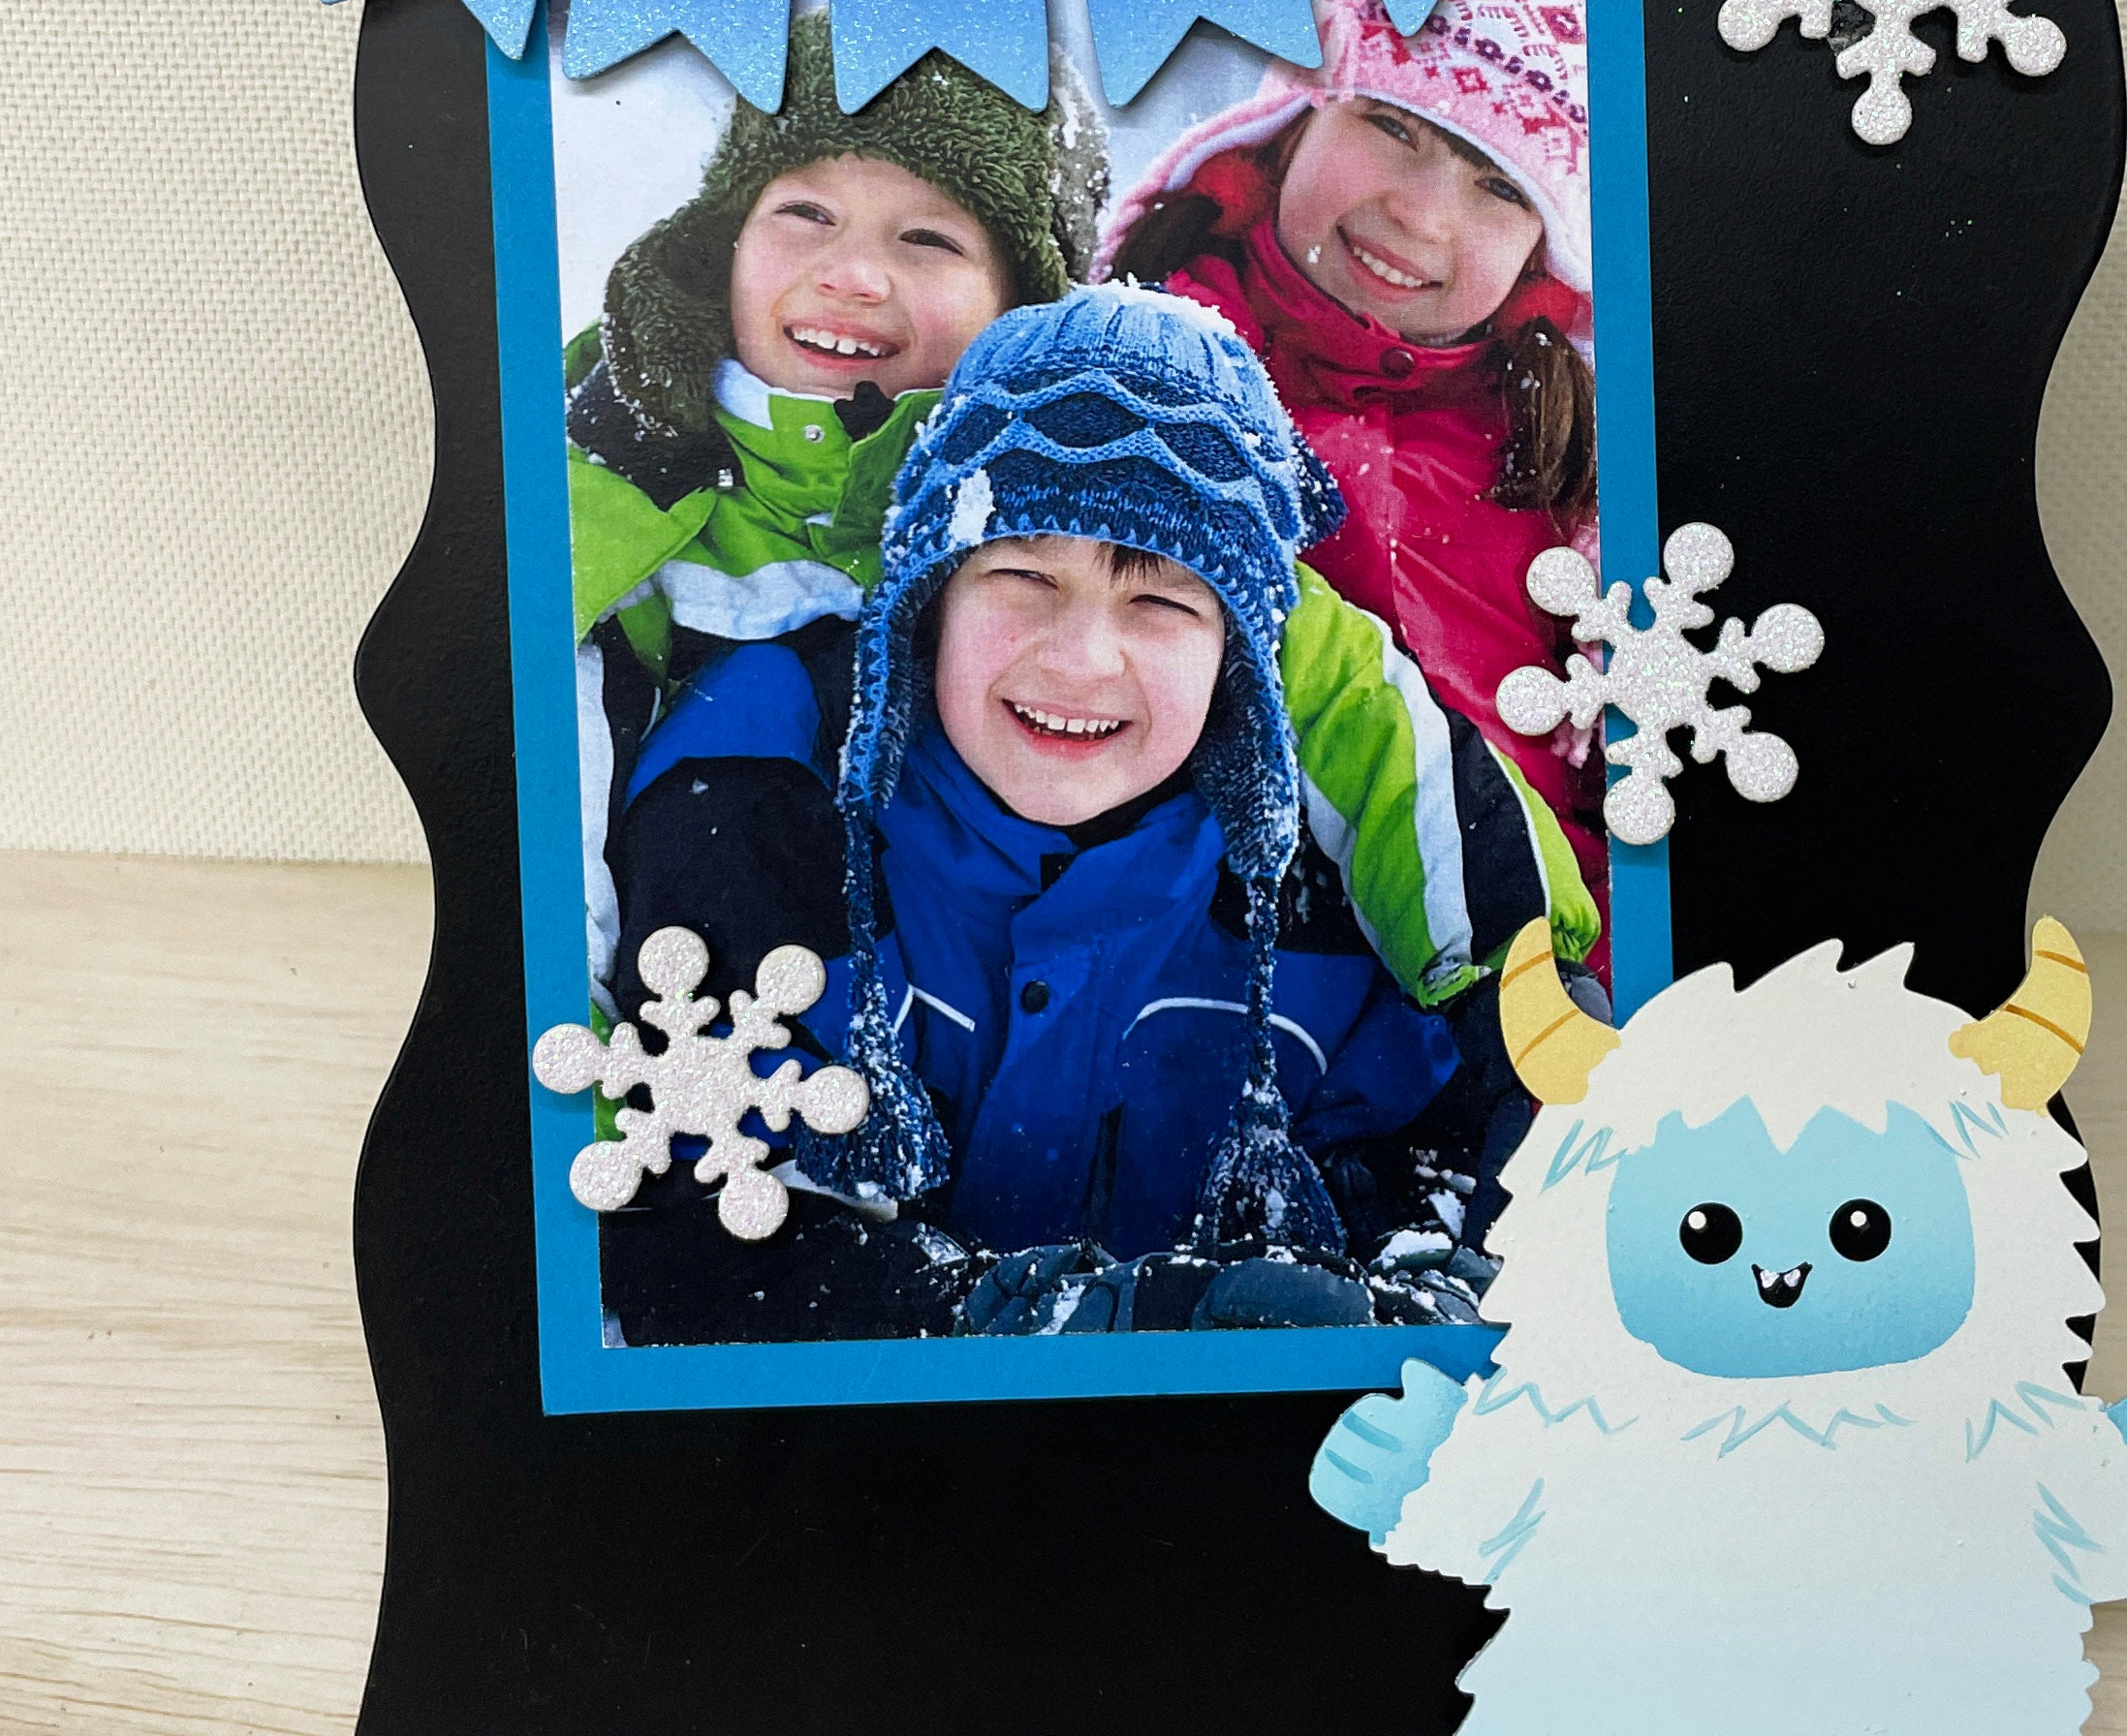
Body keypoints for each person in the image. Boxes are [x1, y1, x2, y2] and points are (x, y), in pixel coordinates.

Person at [564, 9, 1597, 1038]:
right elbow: (545, 867)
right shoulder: (604, 498)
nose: (854, 275)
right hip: (738, 1033)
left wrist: (1526, 996)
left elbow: (1351, 707)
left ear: (1026, 300)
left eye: (928, 238)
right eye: (805, 213)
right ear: (726, 238)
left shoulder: (1097, 467)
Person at [599, 289, 1494, 1344]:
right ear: (932, 595)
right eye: (1023, 574)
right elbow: (687, 1214)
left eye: (1160, 601)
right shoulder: (764, 788)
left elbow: (1442, 1158)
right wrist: (1000, 1324)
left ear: (1238, 654)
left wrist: (1398, 1303)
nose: (1079, 659)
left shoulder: (1322, 878)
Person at [1097, 0, 1607, 923]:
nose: (1420, 215)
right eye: (1392, 126)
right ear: (1294, 122)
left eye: (1500, 188)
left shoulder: (1568, 463)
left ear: (1542, 250)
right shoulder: (1135, 371)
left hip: (1530, 963)